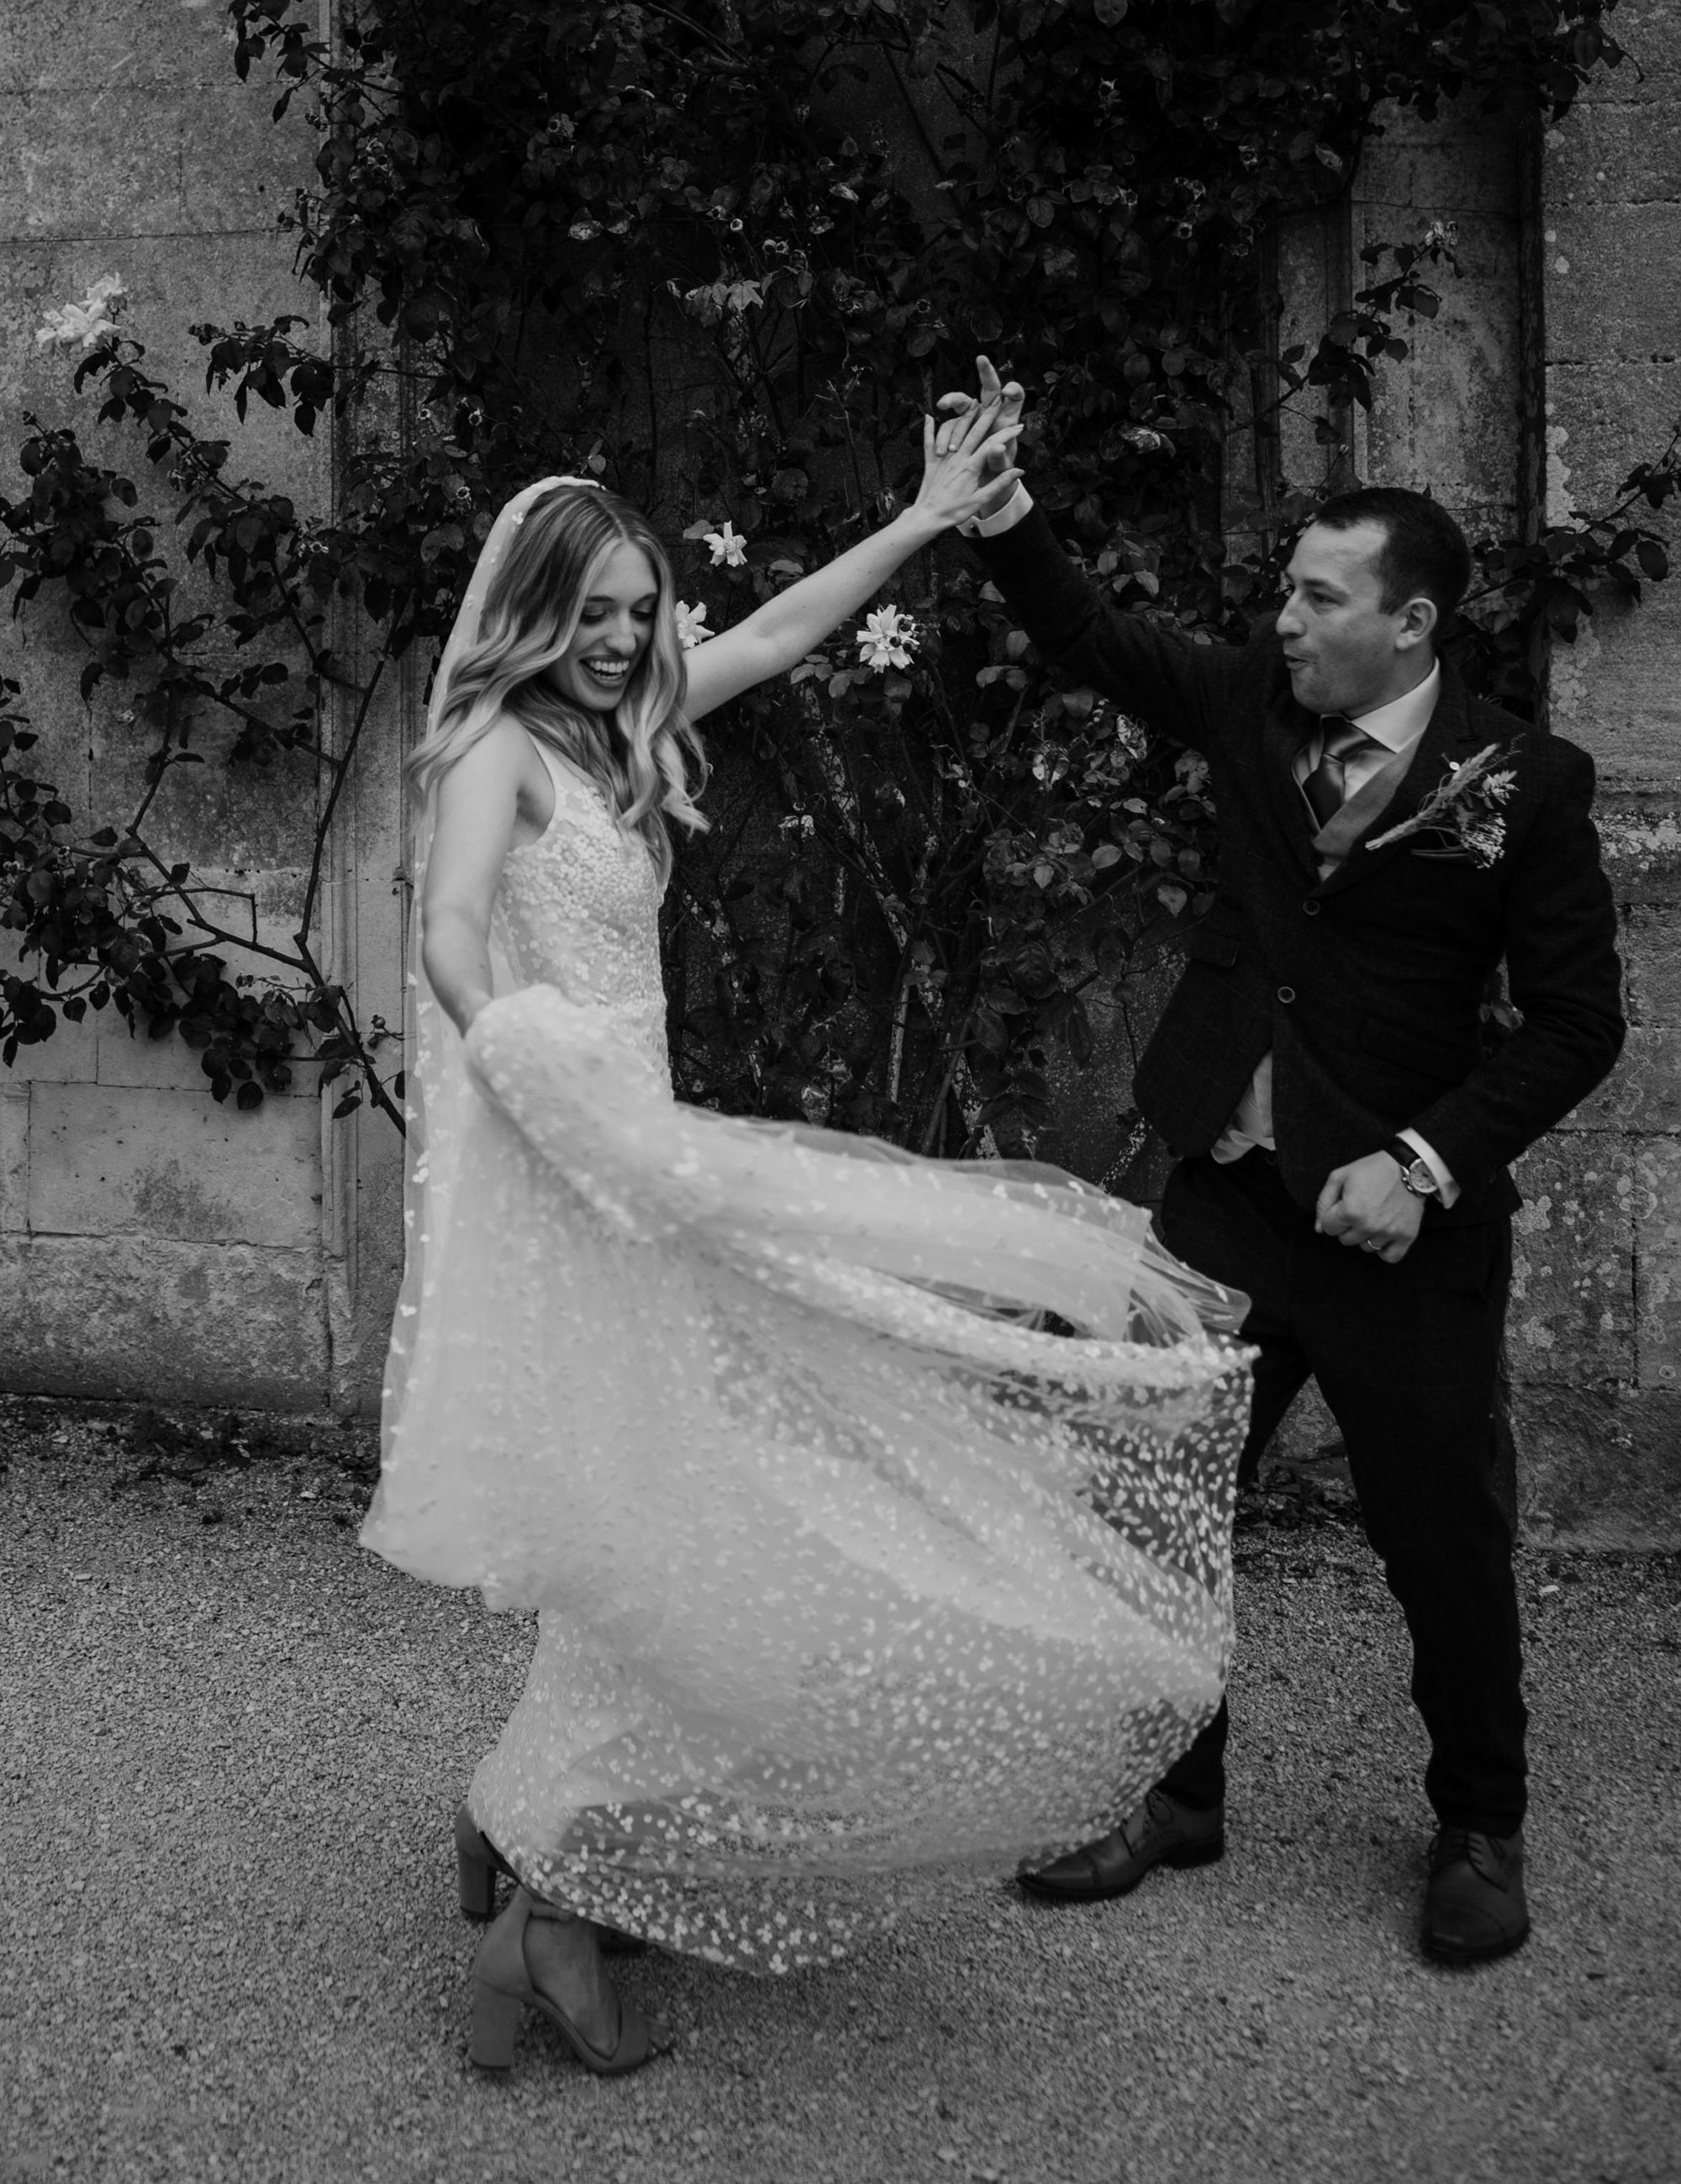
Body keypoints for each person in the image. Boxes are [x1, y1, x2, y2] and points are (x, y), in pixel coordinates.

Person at [361, 404, 1255, 2078]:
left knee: (659, 1509)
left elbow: (770, 630)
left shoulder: (614, 726)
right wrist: (521, 1059)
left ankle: (525, 1839)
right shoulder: (493, 749)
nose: (630, 641)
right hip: (575, 1170)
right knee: (661, 1517)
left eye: (640, 613)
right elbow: (456, 935)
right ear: (533, 611)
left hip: (659, 1167)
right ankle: (543, 1886)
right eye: (599, 615)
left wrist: (922, 517)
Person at [943, 358, 1625, 1965]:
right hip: (1226, 1208)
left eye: (1322, 599)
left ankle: (1479, 1821)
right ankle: (1178, 1793)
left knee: (1440, 1541)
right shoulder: (1256, 701)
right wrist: (1004, 512)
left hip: (1399, 1229)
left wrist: (1427, 1160)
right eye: (1287, 596)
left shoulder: (1526, 784)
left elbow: (1577, 1026)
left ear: (1413, 623)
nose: (1291, 621)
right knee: (1160, 1508)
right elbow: (1097, 641)